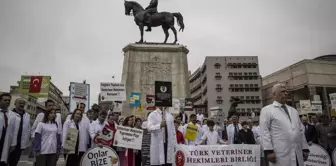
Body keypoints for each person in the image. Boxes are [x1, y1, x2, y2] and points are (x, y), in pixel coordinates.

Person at [260, 83, 309, 166]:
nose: (286, 93)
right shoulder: (267, 110)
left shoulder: (293, 110)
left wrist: (304, 148)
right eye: (282, 91)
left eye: (286, 91)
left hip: (297, 152)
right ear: (274, 94)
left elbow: (300, 130)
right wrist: (269, 151)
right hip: (279, 153)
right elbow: (264, 132)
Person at [8, 98, 31, 166]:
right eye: (20, 103)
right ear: (15, 104)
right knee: (4, 161)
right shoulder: (9, 114)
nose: (22, 104)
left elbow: (28, 129)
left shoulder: (27, 116)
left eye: (23, 103)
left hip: (19, 144)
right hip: (9, 142)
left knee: (14, 162)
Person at [0, 93, 20, 166]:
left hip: (6, 142)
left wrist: (13, 143)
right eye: (5, 100)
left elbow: (15, 131)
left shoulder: (13, 115)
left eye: (9, 100)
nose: (7, 102)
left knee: (3, 162)